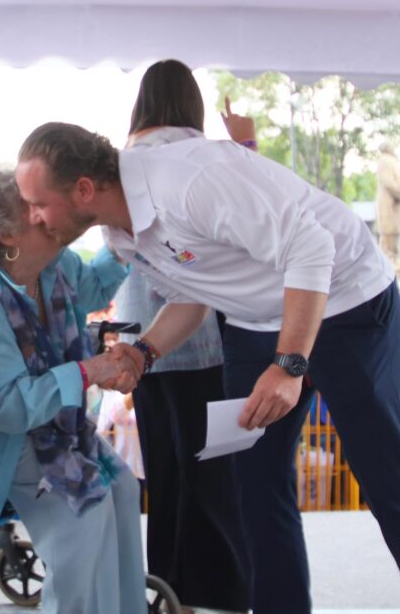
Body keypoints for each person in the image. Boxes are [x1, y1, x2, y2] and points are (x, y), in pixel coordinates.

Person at [14, 61, 400, 612]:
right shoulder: (120, 232)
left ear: (84, 189)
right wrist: (144, 351)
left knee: (386, 478)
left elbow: (312, 247)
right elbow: (192, 295)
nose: (33, 218)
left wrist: (290, 365)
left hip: (347, 303)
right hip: (256, 325)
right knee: (254, 487)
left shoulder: (189, 181)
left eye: (38, 204)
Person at [0, 167, 145, 613]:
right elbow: (7, 408)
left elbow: (92, 286)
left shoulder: (52, 264)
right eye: (30, 207)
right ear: (5, 234)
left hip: (56, 424)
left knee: (124, 487)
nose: (43, 211)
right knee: (85, 512)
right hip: (4, 442)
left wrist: (120, 240)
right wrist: (87, 372)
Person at [110, 60, 250, 612]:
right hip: (205, 341)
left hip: (144, 340)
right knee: (215, 474)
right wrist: (246, 144)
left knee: (166, 475)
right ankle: (222, 593)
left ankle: (168, 589)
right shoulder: (199, 152)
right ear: (192, 102)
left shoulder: (124, 159)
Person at [376, 142, 400, 267]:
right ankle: (388, 258)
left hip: (395, 203)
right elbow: (387, 181)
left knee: (394, 232)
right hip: (388, 202)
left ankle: (394, 258)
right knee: (388, 231)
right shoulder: (384, 161)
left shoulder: (392, 161)